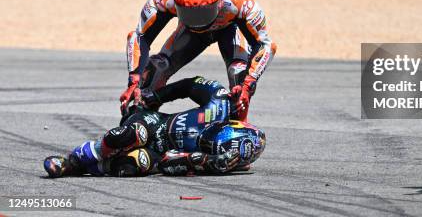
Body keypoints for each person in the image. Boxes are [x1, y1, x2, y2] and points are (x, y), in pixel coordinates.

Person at [120, 0, 277, 121]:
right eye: (189, 14)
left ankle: (239, 122)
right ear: (178, 4)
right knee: (154, 70)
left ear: (219, 3)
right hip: (190, 34)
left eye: (204, 13)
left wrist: (248, 84)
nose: (198, 21)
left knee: (239, 74)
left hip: (228, 29)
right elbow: (139, 36)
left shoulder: (239, 2)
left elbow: (266, 45)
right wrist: (134, 81)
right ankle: (140, 121)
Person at [44, 76, 266, 178]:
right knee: (129, 136)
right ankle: (71, 161)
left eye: (211, 148)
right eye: (212, 140)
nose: (206, 144)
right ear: (226, 125)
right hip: (154, 122)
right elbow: (190, 85)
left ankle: (86, 168)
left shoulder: (211, 159)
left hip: (158, 153)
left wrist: (203, 161)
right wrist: (157, 96)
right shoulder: (219, 102)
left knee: (130, 166)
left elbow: (168, 163)